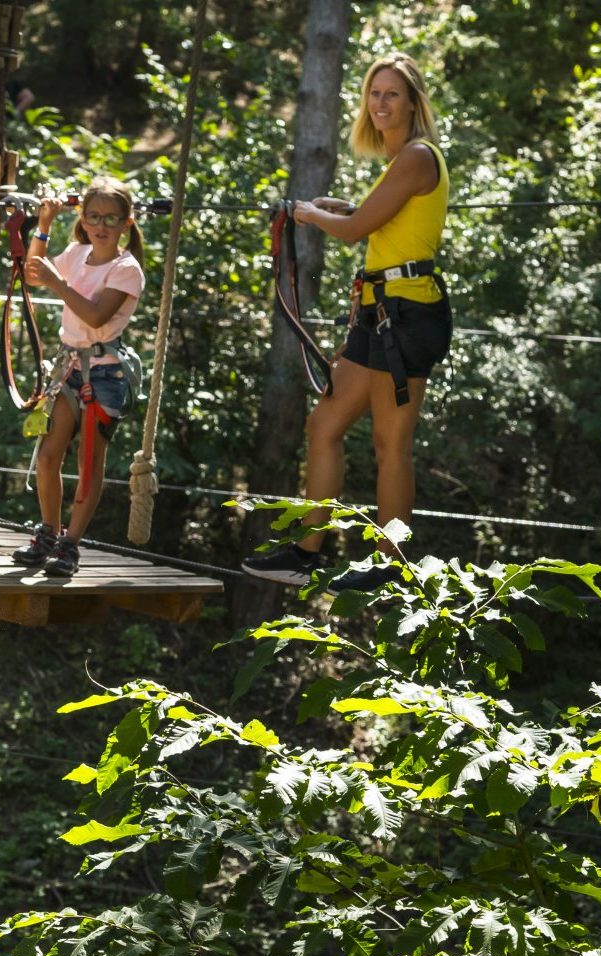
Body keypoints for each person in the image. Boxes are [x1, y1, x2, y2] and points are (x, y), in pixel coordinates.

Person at [242, 52, 451, 594]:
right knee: (325, 425)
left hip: (406, 317)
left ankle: (390, 564)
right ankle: (308, 552)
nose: (380, 104)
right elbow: (381, 222)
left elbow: (358, 230)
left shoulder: (418, 156)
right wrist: (340, 209)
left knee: (391, 443)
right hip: (381, 314)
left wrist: (312, 215)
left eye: (391, 95)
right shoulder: (401, 162)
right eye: (373, 94)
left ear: (413, 103)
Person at [11, 175, 147, 580]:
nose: (101, 225)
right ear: (84, 221)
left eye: (110, 217)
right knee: (49, 455)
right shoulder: (76, 253)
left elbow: (95, 315)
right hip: (69, 368)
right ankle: (48, 533)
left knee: (89, 462)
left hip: (104, 375)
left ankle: (70, 544)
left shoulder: (126, 269)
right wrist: (45, 222)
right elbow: (34, 272)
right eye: (93, 217)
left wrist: (57, 282)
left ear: (126, 222)